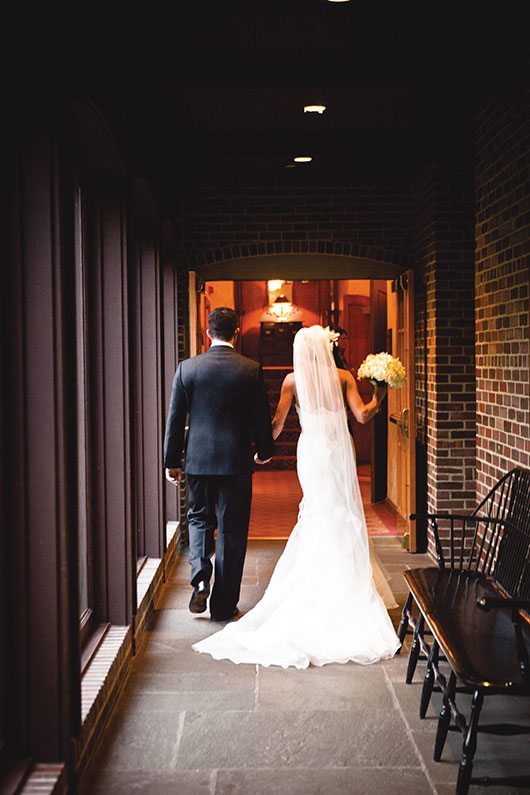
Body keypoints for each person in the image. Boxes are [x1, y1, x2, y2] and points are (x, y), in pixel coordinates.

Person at [192, 325, 400, 668]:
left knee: (316, 509)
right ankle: (344, 580)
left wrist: (259, 446)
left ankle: (318, 575)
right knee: (341, 508)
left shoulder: (292, 381)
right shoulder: (344, 376)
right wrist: (381, 393)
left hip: (312, 451)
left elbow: (276, 423)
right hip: (339, 451)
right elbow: (363, 415)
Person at [163, 307, 275, 622]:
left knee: (198, 520)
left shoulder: (188, 369)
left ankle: (200, 577)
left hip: (198, 461)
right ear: (236, 332)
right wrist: (264, 450)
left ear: (207, 332)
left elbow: (175, 420)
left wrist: (172, 461)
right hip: (236, 462)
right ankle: (224, 605)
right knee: (232, 531)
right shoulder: (250, 369)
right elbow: (260, 418)